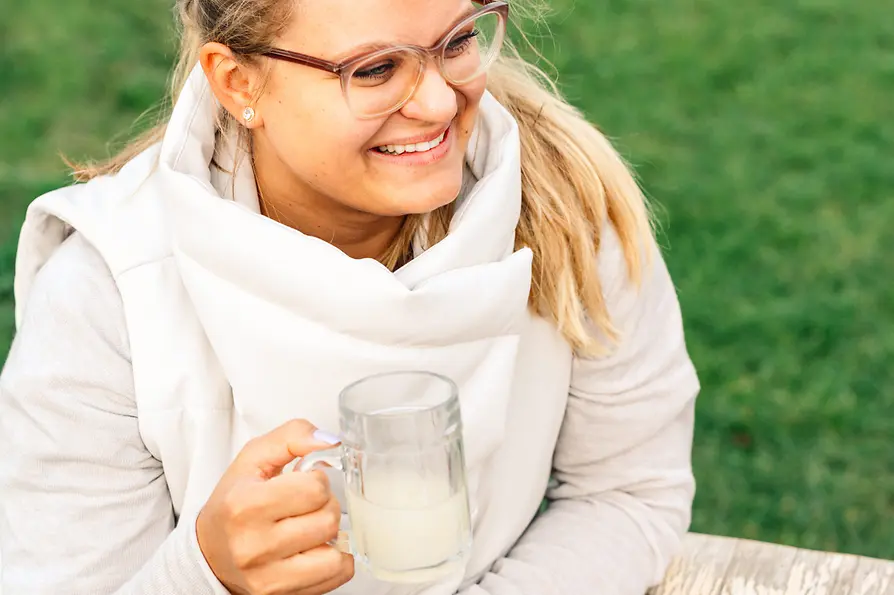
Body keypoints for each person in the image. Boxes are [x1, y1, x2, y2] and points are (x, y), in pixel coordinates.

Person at [0, 0, 700, 593]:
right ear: (239, 82)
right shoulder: (109, 294)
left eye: (458, 41)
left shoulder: (558, 207)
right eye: (374, 69)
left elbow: (628, 488)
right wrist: (204, 569)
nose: (436, 103)